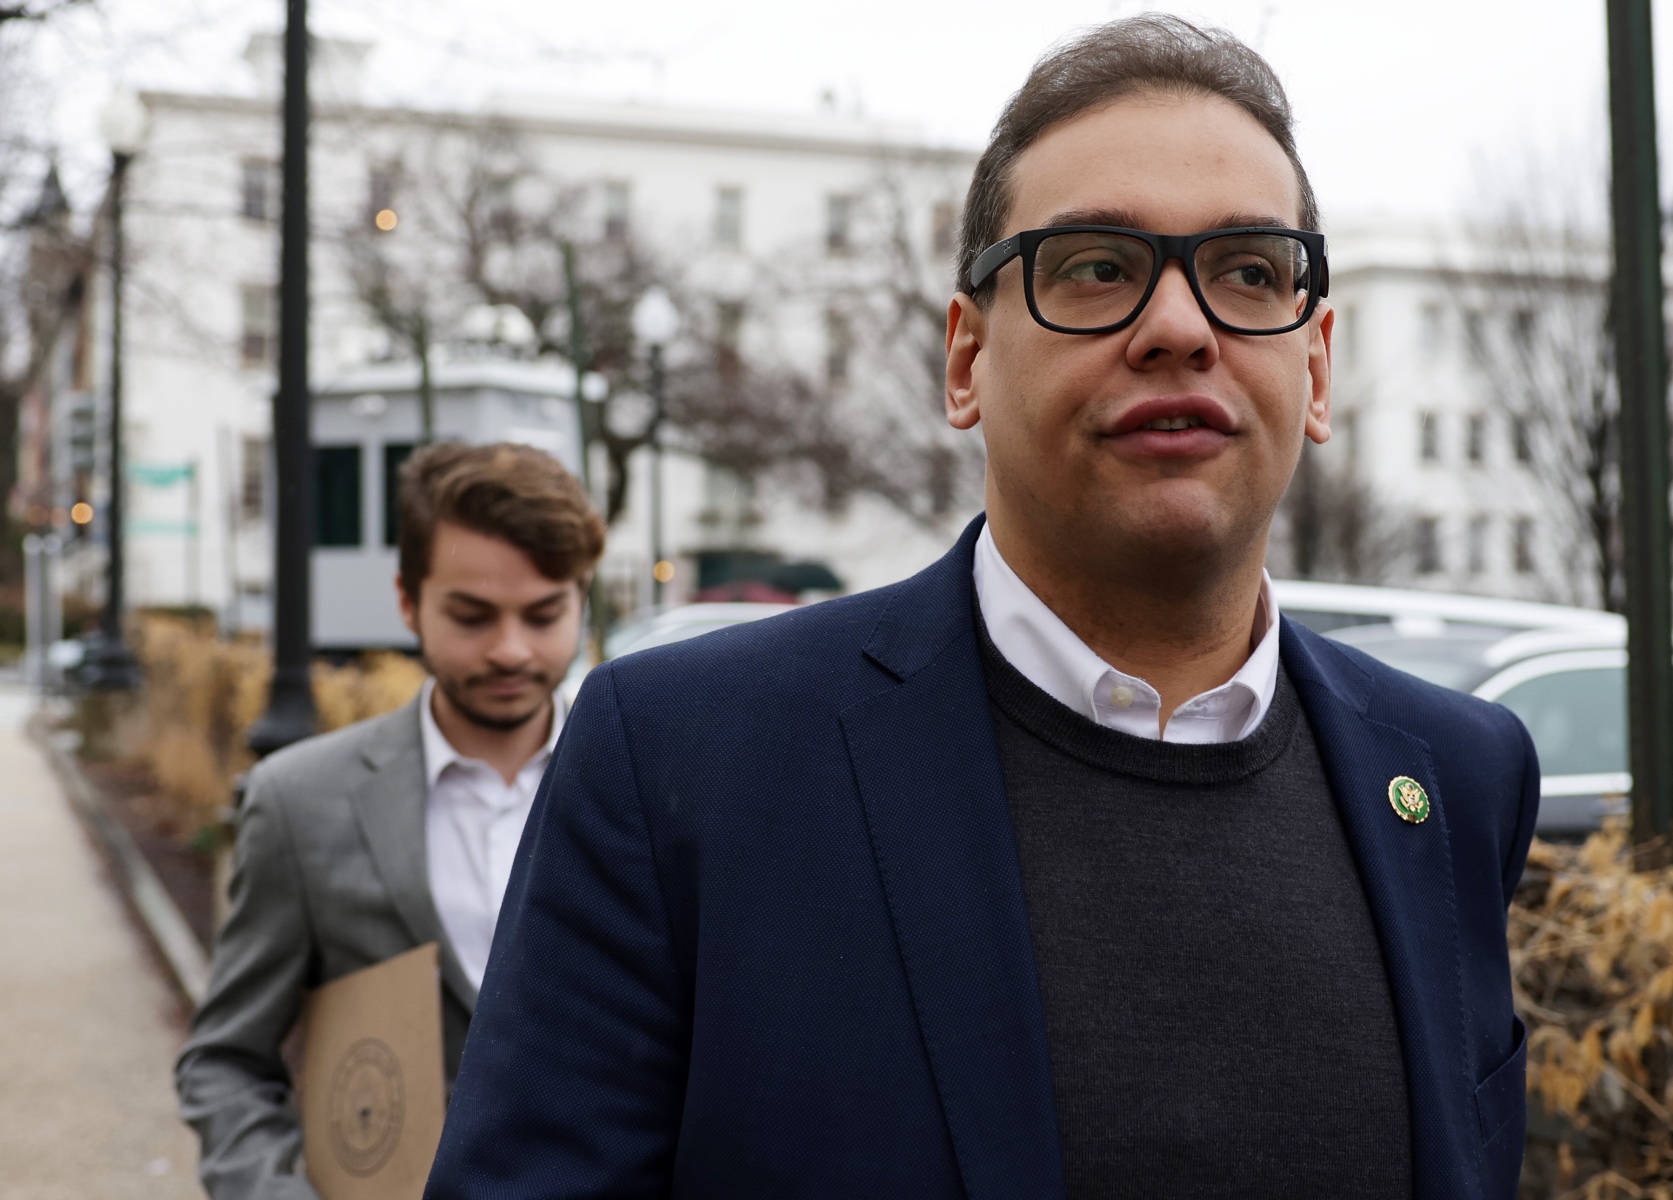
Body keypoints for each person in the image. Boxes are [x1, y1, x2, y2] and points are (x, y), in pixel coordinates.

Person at [428, 16, 1537, 1200]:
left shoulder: (1459, 781)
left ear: (1315, 369)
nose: (1179, 327)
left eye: (1249, 271)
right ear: (965, 360)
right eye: (1097, 267)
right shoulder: (681, 761)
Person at [176, 442, 605, 1200]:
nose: (511, 649)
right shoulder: (300, 800)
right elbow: (227, 1060)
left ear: (583, 599)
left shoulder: (642, 792)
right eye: (472, 616)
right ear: (407, 600)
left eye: (544, 614)